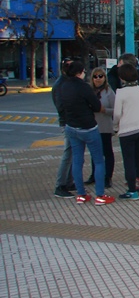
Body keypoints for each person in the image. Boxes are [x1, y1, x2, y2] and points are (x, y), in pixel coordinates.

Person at [59, 61, 115, 206]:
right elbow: (96, 105)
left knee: (77, 160)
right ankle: (100, 194)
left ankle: (81, 194)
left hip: (71, 127)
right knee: (98, 160)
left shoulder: (64, 86)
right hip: (88, 127)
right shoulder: (84, 88)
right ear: (80, 73)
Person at [107, 53, 139, 189]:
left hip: (127, 128)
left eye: (120, 64)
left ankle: (132, 187)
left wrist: (115, 127)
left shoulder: (122, 92)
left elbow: (116, 114)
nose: (117, 67)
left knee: (130, 158)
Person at [84, 67, 115, 188]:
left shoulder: (109, 91)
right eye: (95, 76)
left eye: (100, 76)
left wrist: (104, 110)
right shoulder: (89, 91)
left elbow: (115, 109)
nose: (98, 79)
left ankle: (108, 177)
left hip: (105, 126)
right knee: (94, 152)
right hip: (92, 126)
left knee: (107, 152)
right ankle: (95, 175)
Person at [52, 58, 75, 198]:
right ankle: (60, 185)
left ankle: (68, 181)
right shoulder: (61, 85)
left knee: (73, 153)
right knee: (68, 153)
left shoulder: (67, 82)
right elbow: (61, 106)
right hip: (67, 122)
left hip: (71, 121)